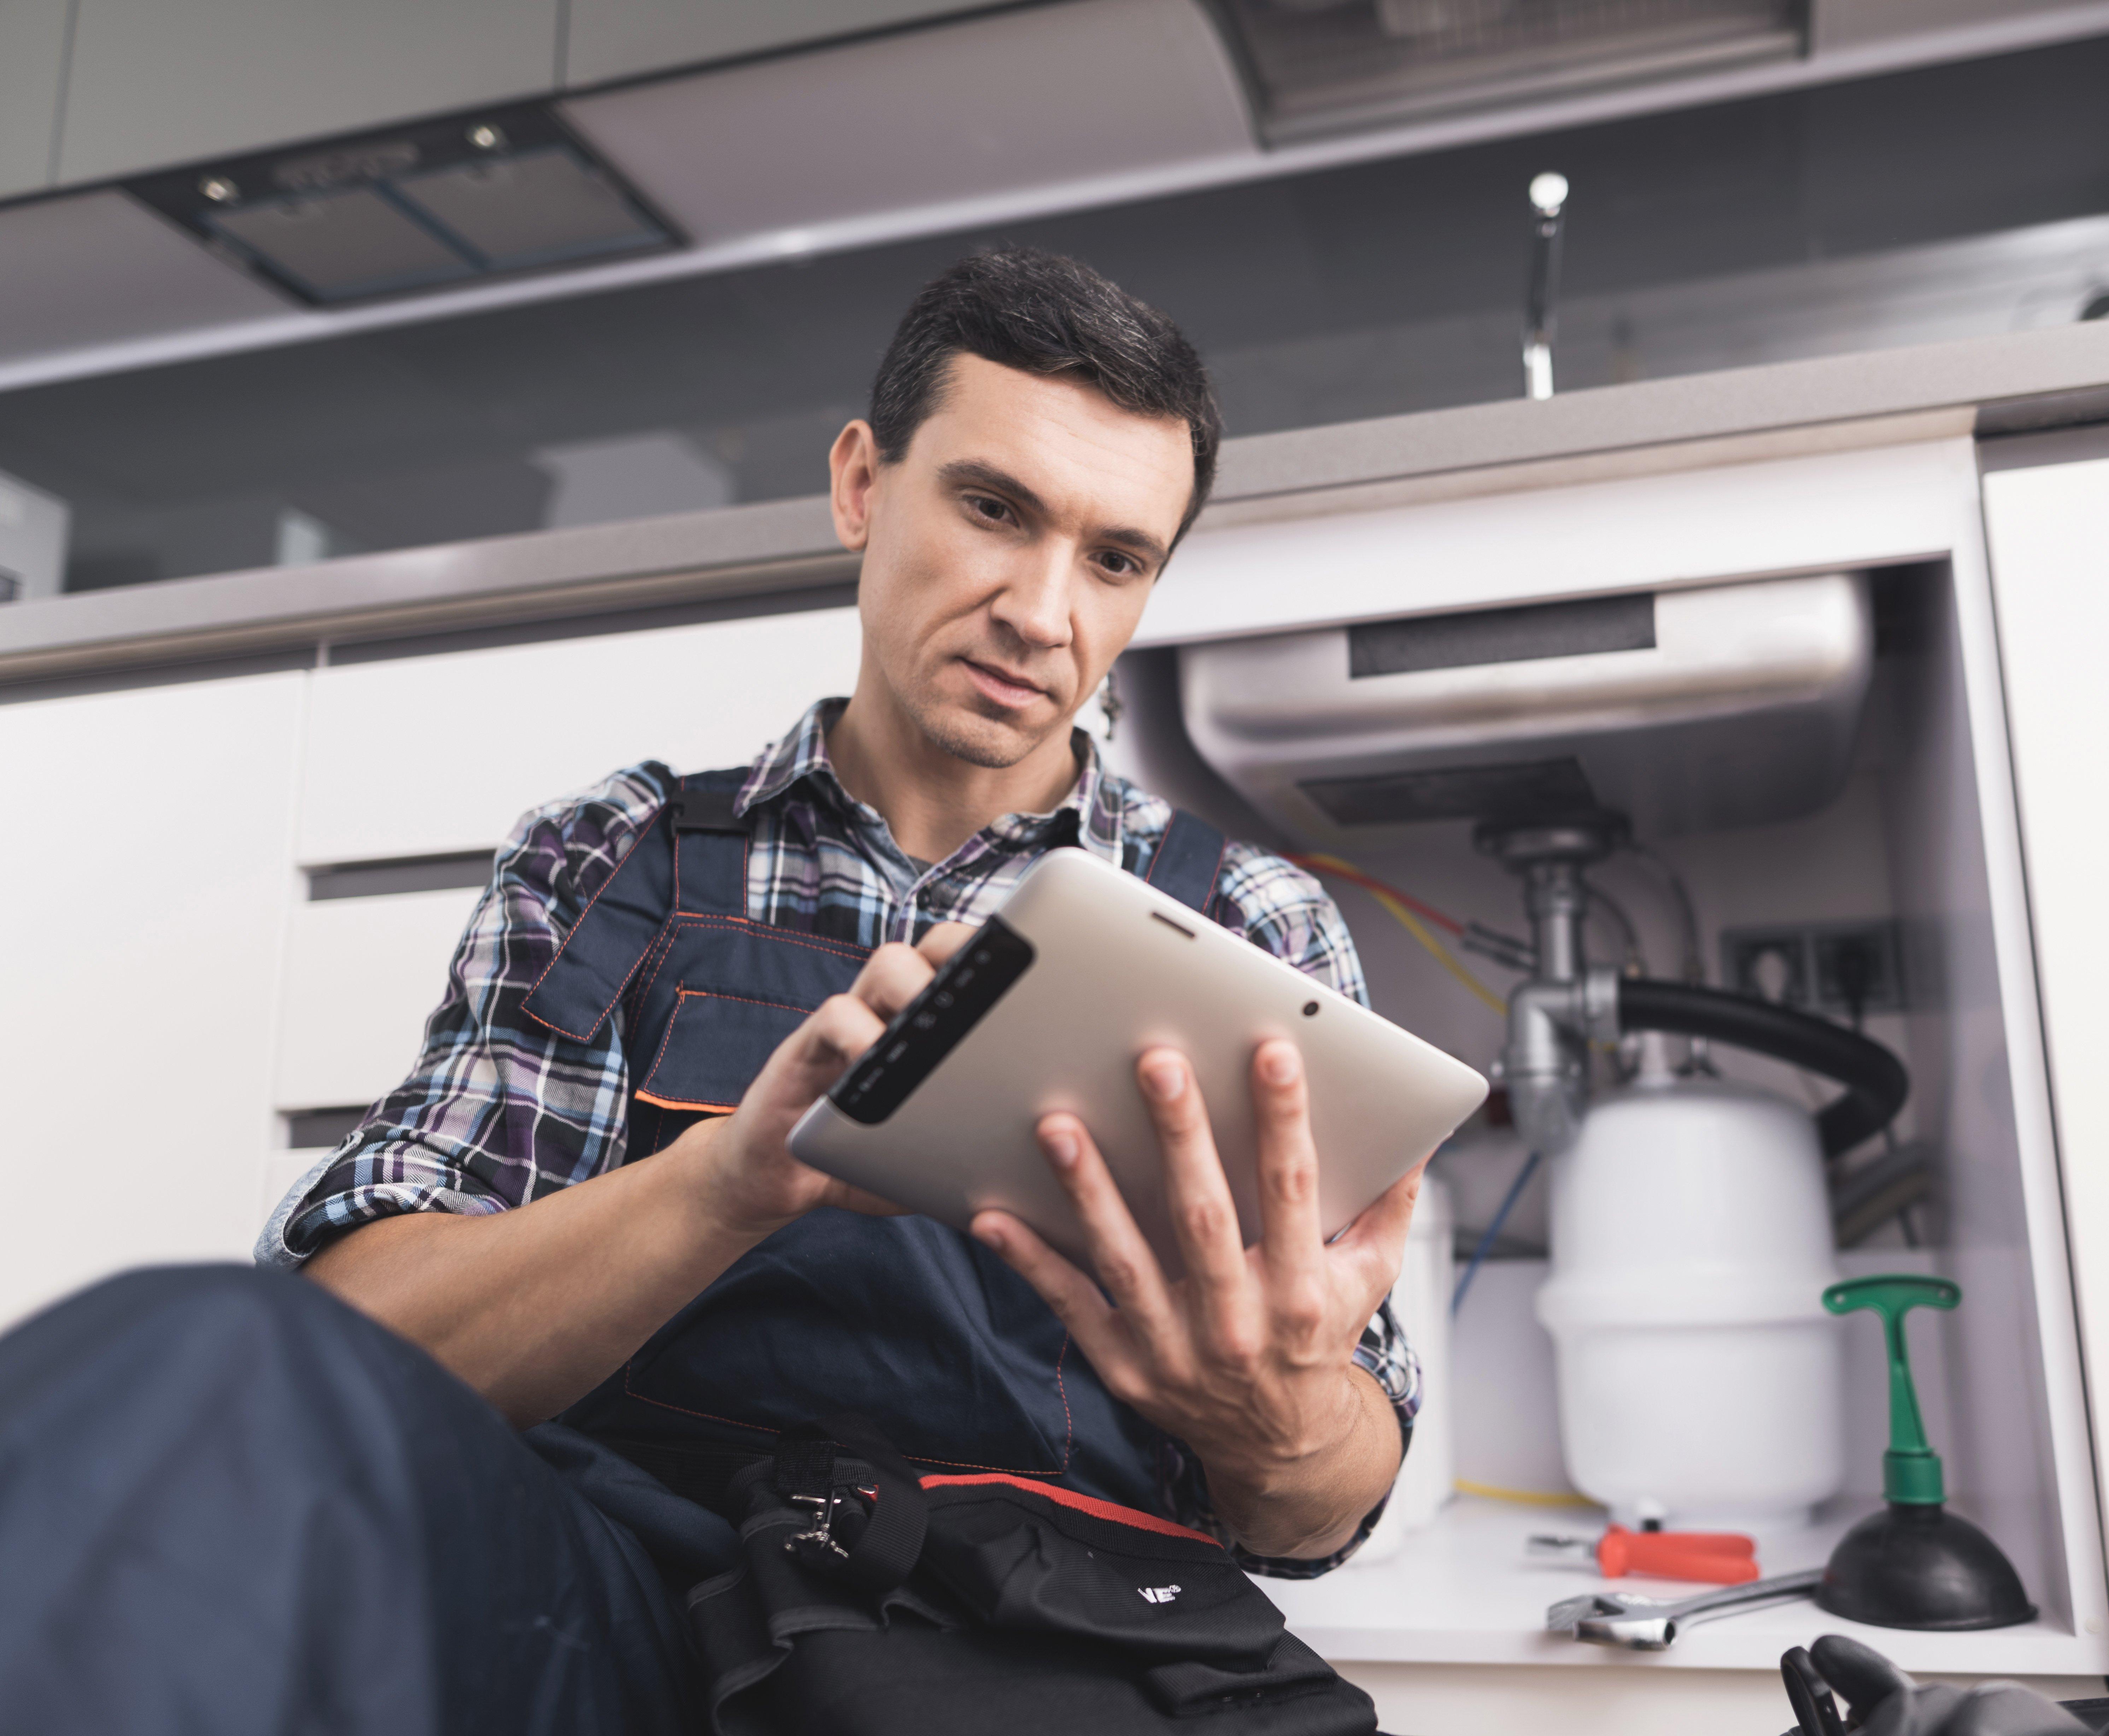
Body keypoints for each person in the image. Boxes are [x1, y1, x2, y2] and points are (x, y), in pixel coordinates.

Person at [0, 248, 1419, 1734]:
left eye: (1115, 559)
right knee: (203, 1354)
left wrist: (1272, 1411)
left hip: (1063, 1641)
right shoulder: (614, 857)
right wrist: (727, 1182)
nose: (1042, 610)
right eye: (995, 509)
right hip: (636, 1618)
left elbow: (1320, 1504)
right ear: (863, 484)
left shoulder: (1256, 930)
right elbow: (350, 1358)